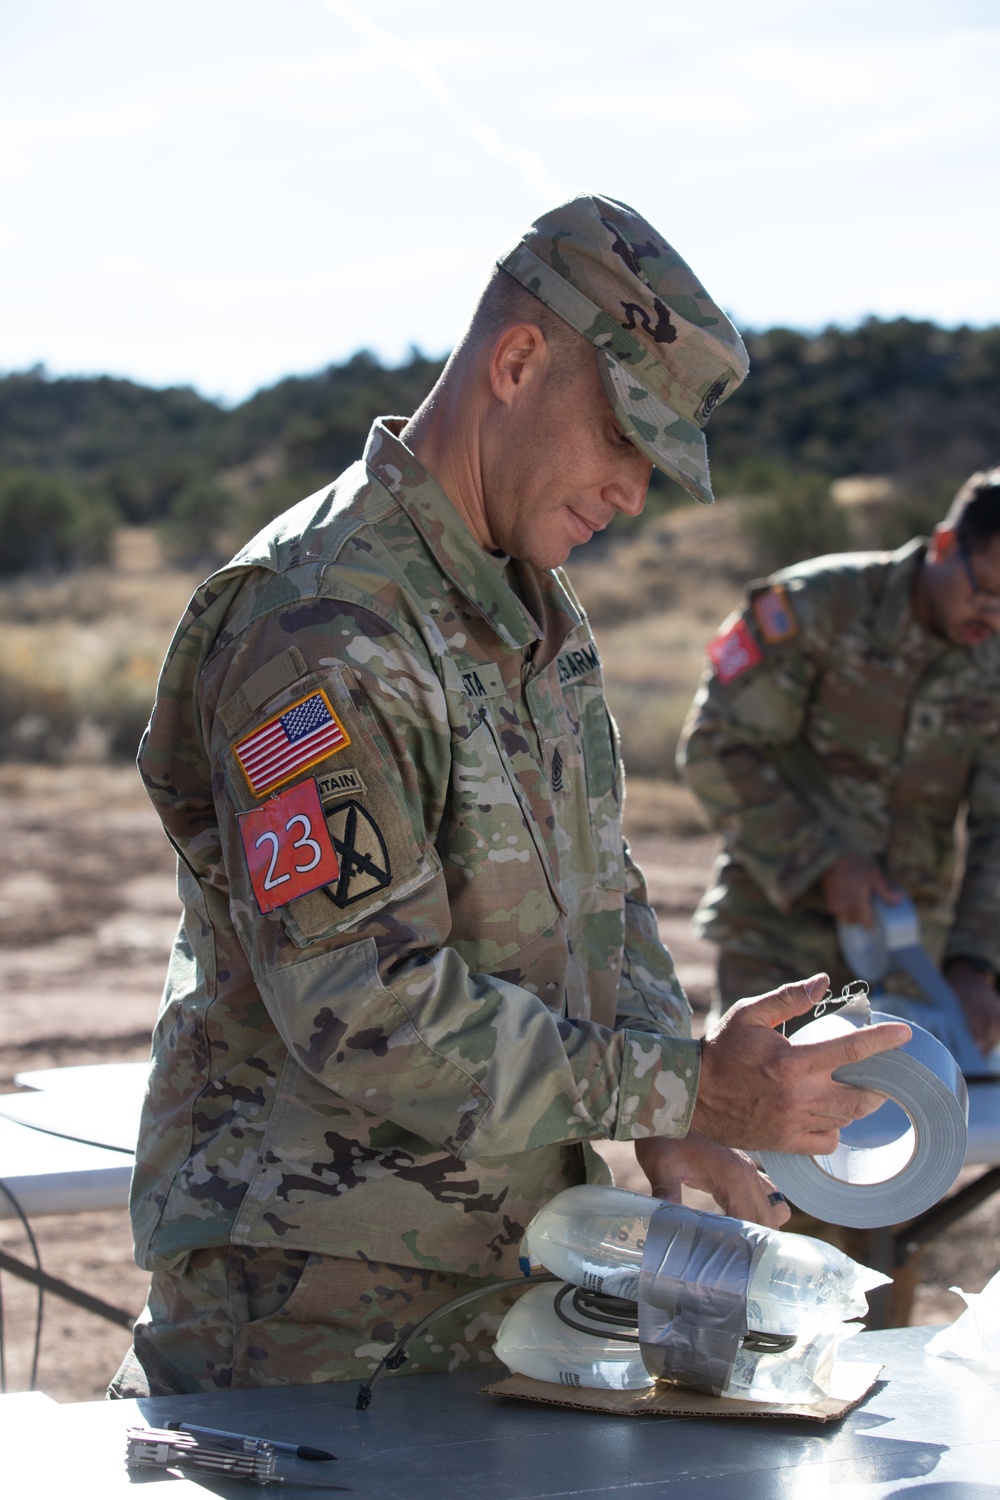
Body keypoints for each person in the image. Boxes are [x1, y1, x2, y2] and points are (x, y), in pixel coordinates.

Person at [111, 194, 908, 1398]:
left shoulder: (524, 606)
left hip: (490, 1277)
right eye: (622, 439)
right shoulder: (320, 622)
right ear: (519, 360)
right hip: (308, 1312)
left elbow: (599, 885)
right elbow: (360, 1006)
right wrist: (681, 1080)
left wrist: (668, 1097)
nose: (632, 495)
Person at [679, 467, 1000, 1056]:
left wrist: (976, 961)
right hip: (775, 944)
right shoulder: (818, 606)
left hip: (912, 963)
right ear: (947, 545)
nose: (995, 619)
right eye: (987, 592)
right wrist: (821, 862)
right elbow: (715, 746)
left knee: (911, 1142)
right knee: (754, 1138)